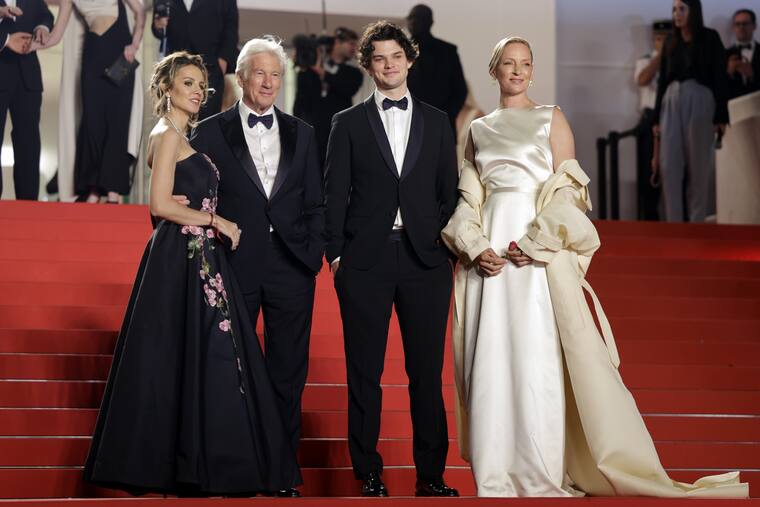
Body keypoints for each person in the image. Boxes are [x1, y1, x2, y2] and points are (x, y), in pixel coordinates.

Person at [442, 35, 748, 499]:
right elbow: (469, 198)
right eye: (509, 63)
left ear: (532, 70)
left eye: (526, 63)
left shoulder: (551, 118)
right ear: (494, 69)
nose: (518, 71)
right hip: (491, 258)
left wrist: (538, 242)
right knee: (491, 358)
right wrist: (474, 246)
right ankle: (495, 474)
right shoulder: (478, 129)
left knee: (538, 356)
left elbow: (569, 189)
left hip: (535, 250)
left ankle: (540, 473)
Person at [83, 51, 300, 495]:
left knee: (201, 355)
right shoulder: (166, 134)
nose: (198, 91)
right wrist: (218, 221)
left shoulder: (180, 134)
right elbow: (159, 204)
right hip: (184, 256)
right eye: (187, 83)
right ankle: (195, 464)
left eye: (201, 85)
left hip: (195, 255)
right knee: (202, 353)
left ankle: (203, 461)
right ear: (166, 88)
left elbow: (171, 202)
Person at [325, 21, 459, 498]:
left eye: (396, 56)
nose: (389, 65)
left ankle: (431, 476)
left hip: (426, 262)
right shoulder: (347, 123)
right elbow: (333, 195)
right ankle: (368, 472)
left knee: (426, 374)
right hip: (365, 261)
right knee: (365, 372)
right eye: (379, 58)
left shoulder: (438, 122)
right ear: (368, 65)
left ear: (410, 59)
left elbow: (449, 193)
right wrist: (336, 257)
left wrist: (443, 249)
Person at [191, 36, 325, 498]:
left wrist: (312, 252)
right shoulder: (209, 131)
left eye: (275, 75)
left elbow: (315, 201)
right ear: (241, 77)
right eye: (260, 73)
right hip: (233, 262)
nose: (268, 83)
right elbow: (197, 199)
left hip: (292, 265)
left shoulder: (303, 133)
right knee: (231, 371)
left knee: (288, 374)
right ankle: (232, 469)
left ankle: (282, 473)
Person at [34, 0, 145, 204]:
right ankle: (94, 189)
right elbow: (56, 36)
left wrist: (135, 44)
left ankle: (113, 192)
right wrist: (28, 45)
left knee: (118, 121)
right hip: (93, 52)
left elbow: (140, 12)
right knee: (92, 124)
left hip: (120, 51)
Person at [652, 0, 728, 223]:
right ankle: (674, 225)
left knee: (698, 166)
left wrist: (721, 116)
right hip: (671, 101)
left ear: (693, 11)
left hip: (700, 99)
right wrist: (656, 118)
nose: (677, 14)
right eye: (674, 9)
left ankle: (697, 224)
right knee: (669, 166)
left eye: (682, 9)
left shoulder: (710, 38)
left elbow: (720, 77)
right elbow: (662, 81)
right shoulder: (670, 41)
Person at [0, 0, 53, 200]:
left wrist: (42, 27)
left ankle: (28, 203)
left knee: (29, 142)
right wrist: (5, 40)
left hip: (28, 76)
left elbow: (45, 14)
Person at [152, 0, 238, 119]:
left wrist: (222, 62)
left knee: (207, 121)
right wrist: (158, 27)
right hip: (176, 67)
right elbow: (158, 25)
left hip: (210, 66)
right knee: (174, 118)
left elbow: (231, 28)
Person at [293, 27, 363, 165]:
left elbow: (348, 89)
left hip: (338, 136)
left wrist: (323, 74)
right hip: (312, 137)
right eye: (351, 43)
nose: (354, 48)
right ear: (337, 42)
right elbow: (301, 102)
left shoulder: (353, 73)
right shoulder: (309, 71)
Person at [406, 4, 467, 134]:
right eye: (410, 18)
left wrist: (445, 116)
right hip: (406, 126)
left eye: (418, 18)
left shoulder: (447, 51)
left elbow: (460, 90)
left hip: (440, 125)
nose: (413, 22)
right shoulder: (399, 51)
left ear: (430, 22)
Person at [633, 19, 671, 220]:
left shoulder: (679, 61)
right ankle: (650, 220)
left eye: (666, 39)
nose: (662, 42)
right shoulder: (646, 60)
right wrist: (661, 57)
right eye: (658, 38)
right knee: (648, 174)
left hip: (672, 118)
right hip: (650, 120)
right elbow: (642, 79)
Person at [726, 8, 759, 99]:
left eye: (745, 24)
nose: (741, 27)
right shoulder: (724, 54)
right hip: (733, 105)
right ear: (733, 27)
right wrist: (729, 72)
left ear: (754, 26)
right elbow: (719, 88)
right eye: (737, 24)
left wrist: (753, 76)